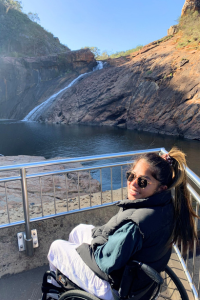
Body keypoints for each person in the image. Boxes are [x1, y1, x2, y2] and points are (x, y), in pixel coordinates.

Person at [47, 148, 198, 300]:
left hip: (115, 287)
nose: (133, 183)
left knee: (56, 247)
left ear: (161, 188)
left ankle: (55, 289)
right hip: (140, 282)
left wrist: (92, 245)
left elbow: (104, 261)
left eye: (143, 182)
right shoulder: (168, 207)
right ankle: (74, 277)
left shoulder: (136, 225)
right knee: (78, 231)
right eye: (131, 176)